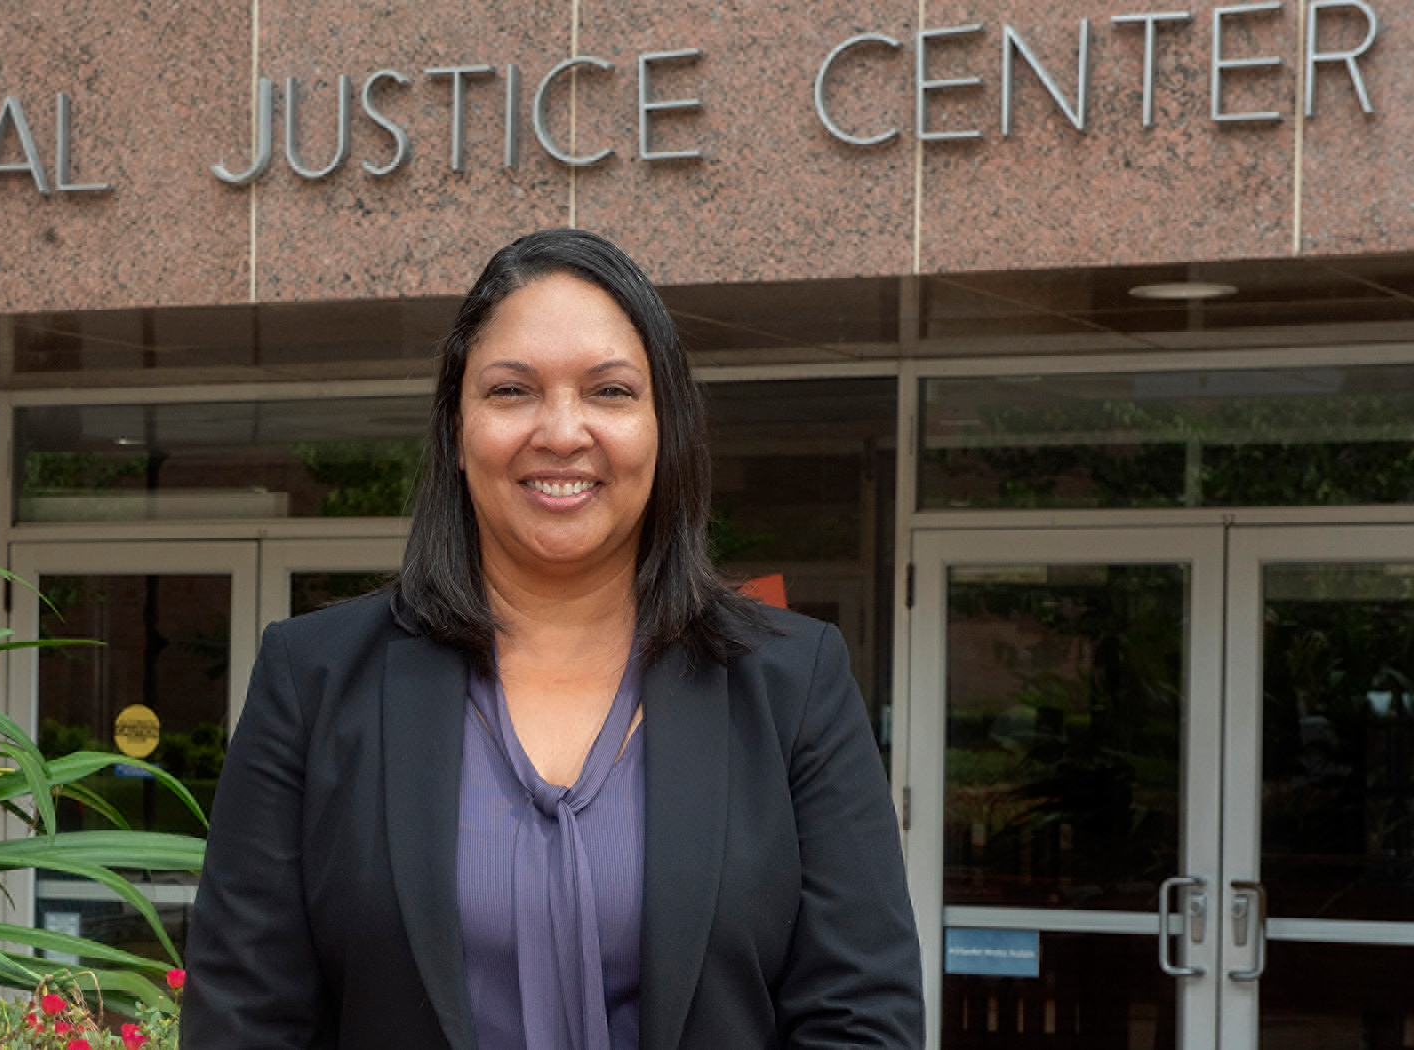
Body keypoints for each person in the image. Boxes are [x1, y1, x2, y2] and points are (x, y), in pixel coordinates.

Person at [181, 229, 921, 1050]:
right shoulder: (313, 681)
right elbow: (244, 1021)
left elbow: (861, 1021)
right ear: (457, 432)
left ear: (665, 427)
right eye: (511, 391)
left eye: (609, 392)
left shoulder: (792, 684)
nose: (562, 432)